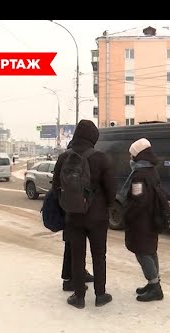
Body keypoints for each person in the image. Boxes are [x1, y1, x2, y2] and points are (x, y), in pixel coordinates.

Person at [52, 119, 116, 309]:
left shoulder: (64, 158)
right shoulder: (102, 158)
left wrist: (68, 205)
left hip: (73, 216)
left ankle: (79, 297)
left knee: (77, 255)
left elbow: (56, 186)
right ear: (93, 137)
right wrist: (106, 206)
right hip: (97, 218)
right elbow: (111, 190)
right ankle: (100, 295)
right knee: (99, 255)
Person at [123, 138, 164, 302]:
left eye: (132, 155)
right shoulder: (152, 170)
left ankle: (155, 288)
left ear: (138, 156)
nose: (130, 159)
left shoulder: (139, 175)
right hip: (152, 218)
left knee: (142, 252)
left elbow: (138, 200)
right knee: (151, 251)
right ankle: (153, 282)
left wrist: (128, 216)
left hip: (142, 221)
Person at [60, 141, 95, 292]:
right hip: (71, 211)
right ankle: (69, 280)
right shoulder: (69, 160)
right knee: (71, 246)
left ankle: (78, 274)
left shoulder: (68, 159)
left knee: (74, 246)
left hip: (69, 209)